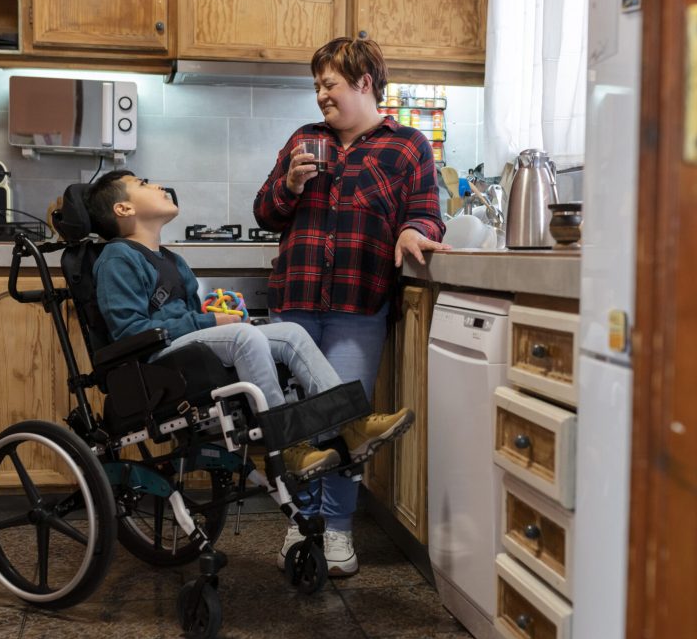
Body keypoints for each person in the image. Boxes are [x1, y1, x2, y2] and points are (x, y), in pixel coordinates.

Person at [86, 169, 414, 506]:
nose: (156, 185)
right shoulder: (117, 257)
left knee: (291, 333)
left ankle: (352, 424)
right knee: (245, 337)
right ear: (123, 209)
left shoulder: (172, 260)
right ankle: (287, 448)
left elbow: (194, 318)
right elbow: (129, 331)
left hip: (184, 352)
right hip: (153, 362)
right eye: (142, 184)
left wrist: (212, 317)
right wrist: (209, 320)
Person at [254, 37, 451, 576]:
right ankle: (301, 520)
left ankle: (337, 530)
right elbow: (265, 211)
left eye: (329, 83)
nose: (320, 94)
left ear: (364, 81)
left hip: (358, 304)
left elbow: (427, 211)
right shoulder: (304, 139)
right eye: (317, 84)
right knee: (294, 420)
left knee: (345, 420)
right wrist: (289, 185)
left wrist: (413, 231)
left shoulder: (408, 146)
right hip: (294, 299)